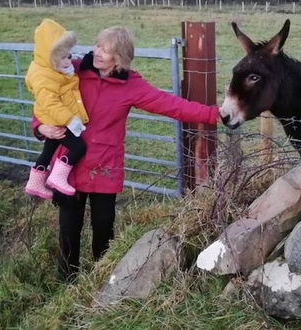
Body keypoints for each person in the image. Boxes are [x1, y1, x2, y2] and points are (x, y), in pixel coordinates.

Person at [32, 25, 219, 281]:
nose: (96, 52)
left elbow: (171, 105)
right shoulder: (74, 70)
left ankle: (102, 281)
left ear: (119, 58)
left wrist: (213, 114)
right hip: (69, 166)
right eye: (97, 45)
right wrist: (40, 126)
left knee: (103, 230)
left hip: (104, 168)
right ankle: (67, 281)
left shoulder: (131, 85)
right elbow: (46, 98)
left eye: (106, 50)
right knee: (69, 229)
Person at [25, 19, 89, 199]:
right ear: (49, 57)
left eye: (69, 55)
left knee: (49, 149)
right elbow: (50, 103)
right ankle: (57, 178)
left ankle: (35, 182)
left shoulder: (49, 69)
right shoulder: (44, 77)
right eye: (63, 57)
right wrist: (70, 120)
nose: (69, 60)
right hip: (55, 117)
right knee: (78, 146)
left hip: (51, 118)